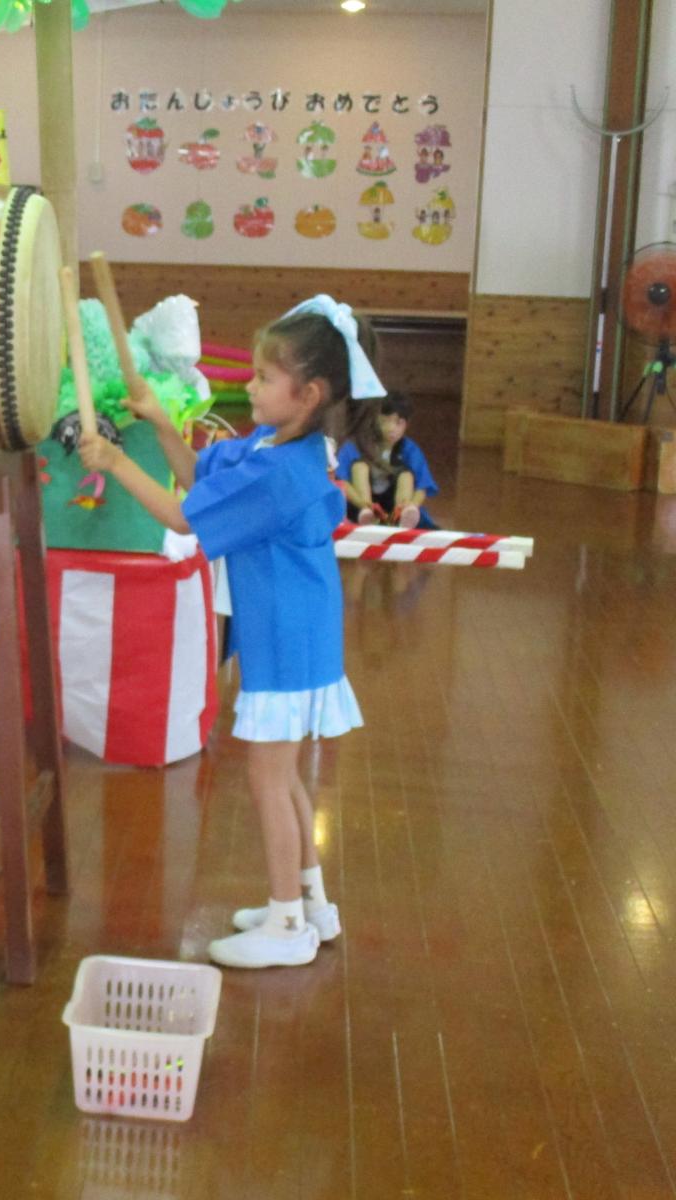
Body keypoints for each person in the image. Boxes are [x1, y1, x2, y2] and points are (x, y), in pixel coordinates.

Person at [79, 296, 381, 969]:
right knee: (289, 778)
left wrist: (115, 462)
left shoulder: (281, 472)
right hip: (300, 636)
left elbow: (185, 520)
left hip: (286, 640)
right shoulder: (275, 449)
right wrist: (159, 423)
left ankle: (284, 928)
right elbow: (200, 485)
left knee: (271, 782)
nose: (247, 385)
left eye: (263, 377)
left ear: (309, 394)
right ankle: (311, 907)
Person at [336, 391, 439, 528]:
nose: (392, 429)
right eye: (385, 421)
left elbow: (422, 486)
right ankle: (368, 513)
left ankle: (403, 514)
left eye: (399, 423)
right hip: (360, 507)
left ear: (406, 424)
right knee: (359, 467)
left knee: (406, 475)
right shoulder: (356, 445)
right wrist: (364, 504)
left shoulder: (410, 449)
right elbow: (341, 481)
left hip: (393, 506)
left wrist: (412, 505)